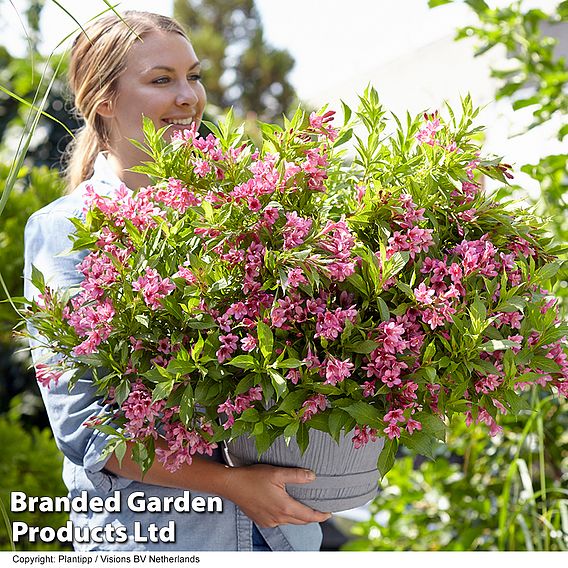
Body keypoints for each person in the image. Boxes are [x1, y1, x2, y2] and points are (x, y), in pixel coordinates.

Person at [23, 10, 330, 552]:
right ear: (105, 100)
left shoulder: (242, 209)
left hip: (281, 535)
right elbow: (86, 430)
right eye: (161, 79)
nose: (188, 95)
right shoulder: (64, 231)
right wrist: (232, 485)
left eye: (193, 75)